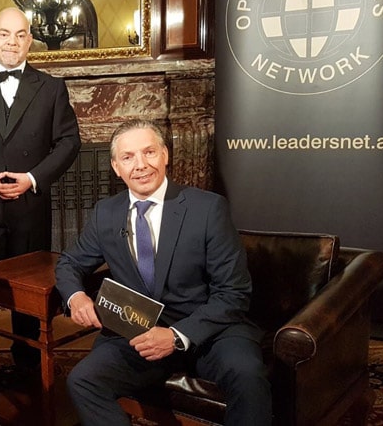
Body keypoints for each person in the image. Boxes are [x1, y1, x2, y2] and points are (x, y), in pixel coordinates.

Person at [55, 120, 271, 426]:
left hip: (209, 331)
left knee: (247, 375)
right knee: (83, 380)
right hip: (138, 332)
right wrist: (76, 296)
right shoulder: (106, 212)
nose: (140, 165)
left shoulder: (208, 208)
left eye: (149, 152)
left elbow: (234, 293)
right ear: (116, 167)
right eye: (128, 157)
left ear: (165, 155)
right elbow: (69, 262)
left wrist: (176, 336)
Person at [0, 7, 81, 370]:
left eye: (20, 34)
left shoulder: (51, 87)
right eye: (5, 34)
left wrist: (33, 178)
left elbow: (69, 142)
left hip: (30, 208)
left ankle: (29, 370)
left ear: (30, 41)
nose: (12, 42)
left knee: (29, 296)